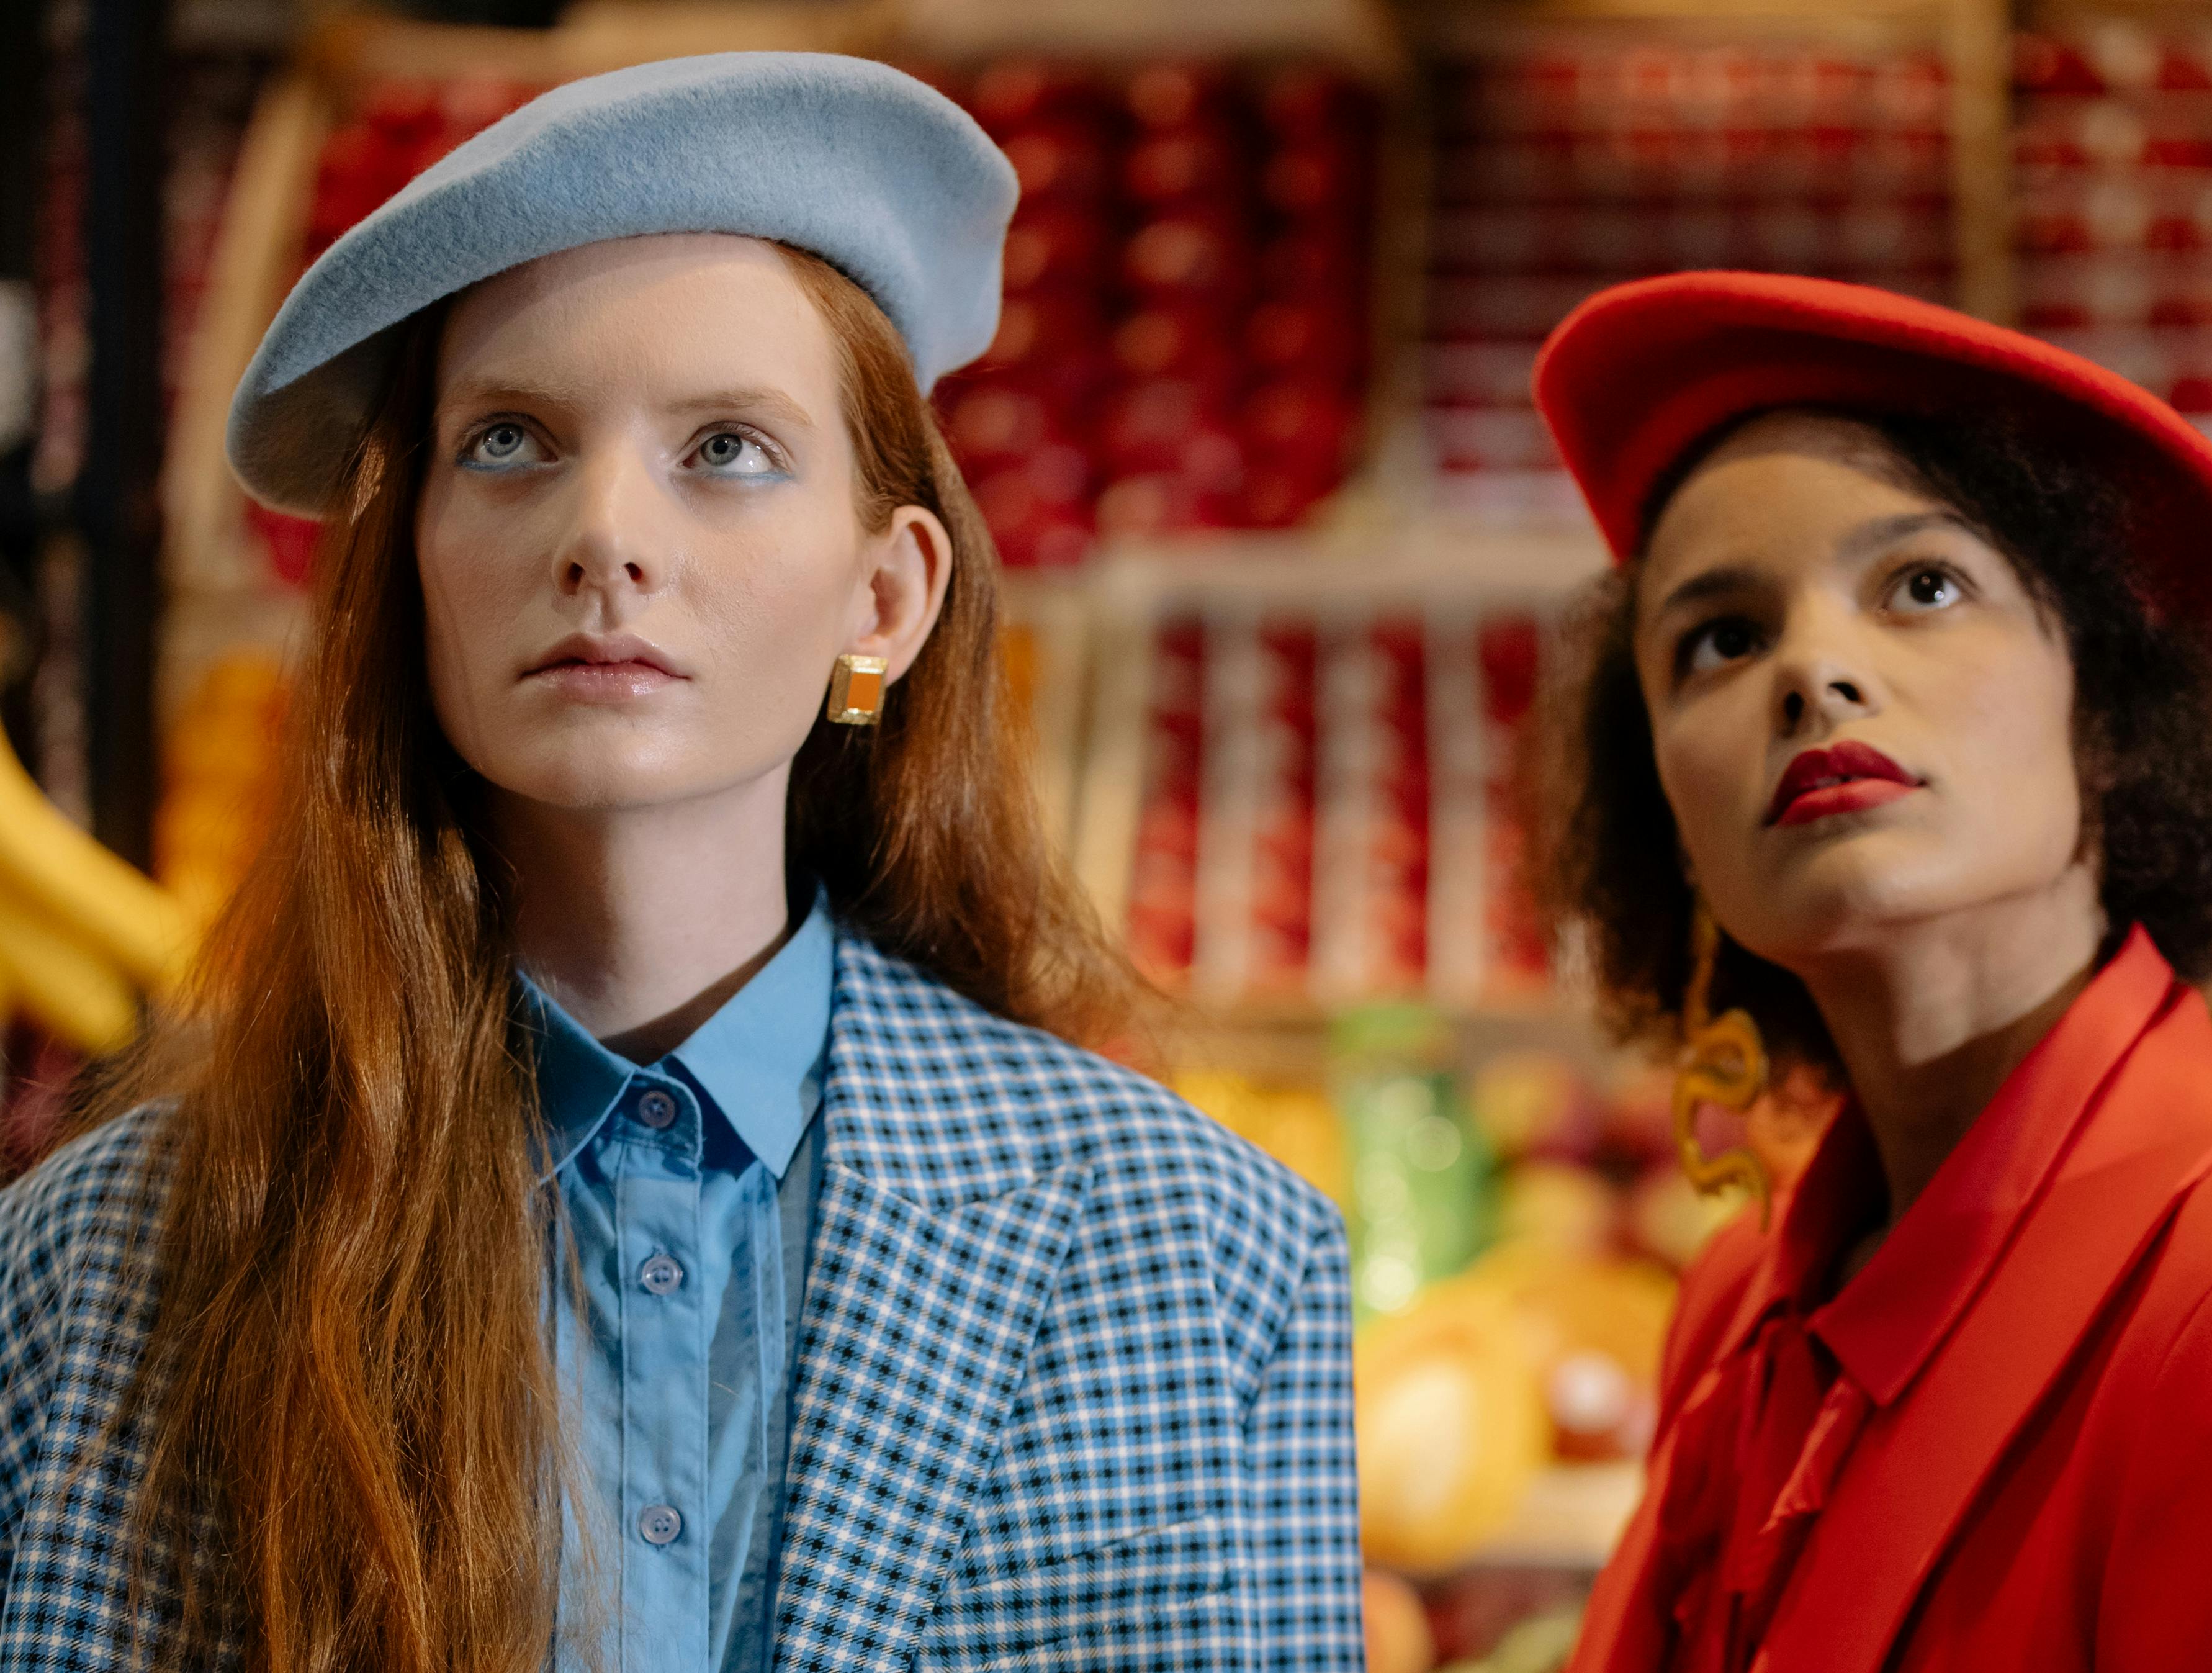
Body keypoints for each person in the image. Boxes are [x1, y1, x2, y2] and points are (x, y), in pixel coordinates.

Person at [0, 54, 1361, 1673]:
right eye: (509, 442)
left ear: (888, 599)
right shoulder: (97, 1272)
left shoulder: (1206, 1257)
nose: (608, 534)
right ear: (410, 566)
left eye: (726, 450)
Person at [1531, 271, 2212, 1673]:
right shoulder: (1735, 1307)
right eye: (1720, 640)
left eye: (1921, 586)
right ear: (1664, 815)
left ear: (2107, 716)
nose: (1812, 669)